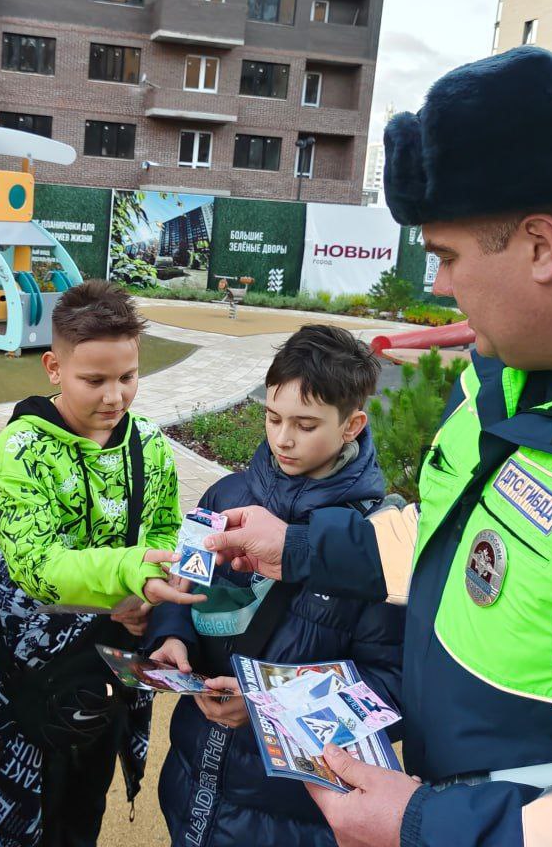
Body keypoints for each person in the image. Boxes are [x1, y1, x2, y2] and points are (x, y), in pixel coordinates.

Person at [206, 46, 552, 846]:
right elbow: (455, 542)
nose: (437, 286)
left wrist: (428, 825)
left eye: (447, 255)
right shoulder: (506, 368)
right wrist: (295, 548)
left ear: (542, 247)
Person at [0, 279, 203, 847]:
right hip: (26, 662)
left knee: (87, 787)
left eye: (127, 378)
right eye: (94, 380)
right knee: (16, 802)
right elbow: (37, 565)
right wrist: (130, 577)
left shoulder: (148, 444)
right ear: (54, 367)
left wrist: (147, 591)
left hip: (111, 658)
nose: (114, 397)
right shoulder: (24, 448)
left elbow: (162, 527)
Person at [148, 324, 404, 847]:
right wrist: (171, 637)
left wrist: (270, 710)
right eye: (272, 417)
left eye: (305, 424)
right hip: (193, 775)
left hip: (292, 810)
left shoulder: (379, 541)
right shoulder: (225, 494)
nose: (283, 438)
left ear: (353, 424)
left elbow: (391, 686)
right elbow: (182, 587)